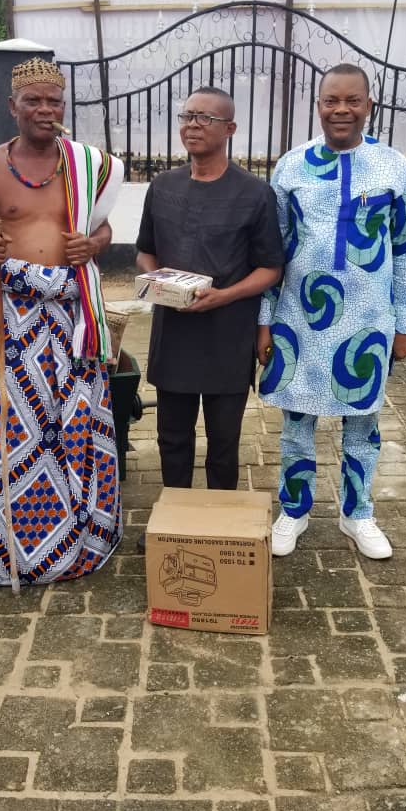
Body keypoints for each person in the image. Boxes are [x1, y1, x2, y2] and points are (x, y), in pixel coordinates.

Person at [0, 57, 124, 585]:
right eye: (34, 100)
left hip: (73, 311)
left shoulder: (85, 164)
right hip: (8, 314)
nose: (45, 109)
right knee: (7, 427)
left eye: (54, 100)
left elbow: (105, 230)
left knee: (75, 422)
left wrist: (93, 243)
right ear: (13, 107)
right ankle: (6, 550)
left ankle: (78, 541)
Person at [257, 63, 406, 560]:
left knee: (363, 426)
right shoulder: (291, 166)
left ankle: (358, 513)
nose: (341, 110)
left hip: (369, 322)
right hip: (299, 319)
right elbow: (270, 251)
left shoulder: (393, 166)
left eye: (352, 100)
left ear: (369, 105)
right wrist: (264, 320)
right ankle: (295, 510)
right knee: (297, 424)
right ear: (319, 105)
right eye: (332, 100)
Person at [136, 86, 284, 544]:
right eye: (187, 116)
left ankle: (221, 526)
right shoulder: (163, 187)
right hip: (174, 333)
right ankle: (175, 522)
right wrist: (158, 282)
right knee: (172, 438)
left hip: (227, 335)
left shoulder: (255, 193)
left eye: (206, 118)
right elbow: (145, 251)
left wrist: (225, 296)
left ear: (230, 129)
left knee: (223, 443)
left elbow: (271, 268)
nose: (193, 125)